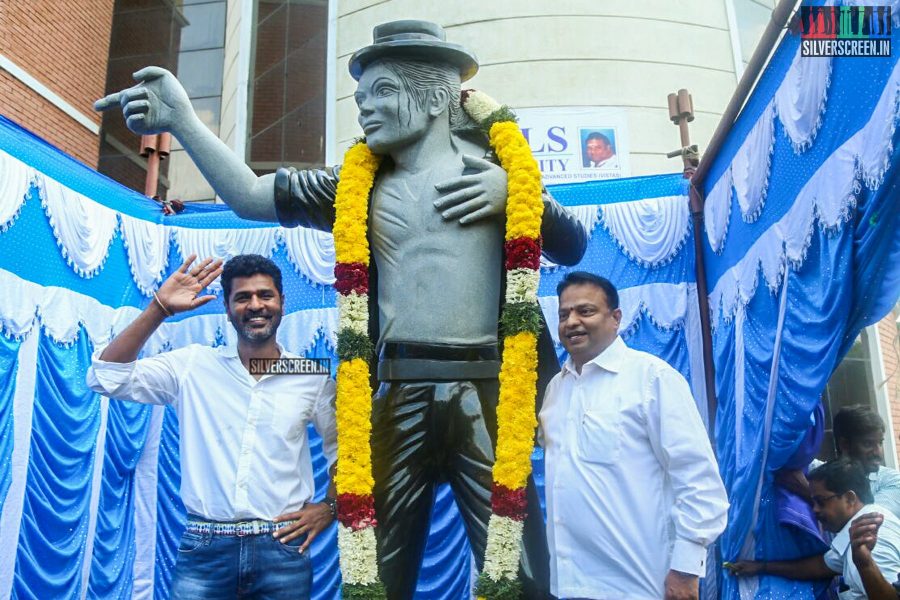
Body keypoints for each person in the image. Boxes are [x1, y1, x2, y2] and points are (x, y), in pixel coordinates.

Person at [95, 19, 587, 598]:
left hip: (486, 390)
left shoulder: (501, 170)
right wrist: (182, 120)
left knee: (523, 577)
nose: (365, 111)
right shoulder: (353, 185)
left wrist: (513, 196)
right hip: (395, 391)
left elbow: (570, 244)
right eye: (360, 99)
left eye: (382, 93)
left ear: (432, 99)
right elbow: (252, 197)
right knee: (374, 575)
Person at [86, 254, 338, 599]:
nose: (255, 305)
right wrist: (159, 308)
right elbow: (104, 378)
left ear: (281, 302)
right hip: (205, 549)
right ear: (227, 306)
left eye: (265, 295)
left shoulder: (311, 374)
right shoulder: (193, 365)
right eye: (242, 297)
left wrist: (330, 507)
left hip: (283, 547)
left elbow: (348, 450)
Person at [539, 271, 728, 600]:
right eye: (563, 314)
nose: (571, 322)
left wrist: (685, 571)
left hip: (639, 585)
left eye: (585, 311)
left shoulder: (651, 379)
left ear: (616, 318)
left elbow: (699, 481)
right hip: (568, 585)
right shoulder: (556, 389)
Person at [727, 458, 900, 600]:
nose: (815, 509)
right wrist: (761, 567)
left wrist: (865, 563)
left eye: (821, 501)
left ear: (849, 499)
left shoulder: (873, 542)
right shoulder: (856, 531)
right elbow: (820, 566)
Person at [833, 406, 900, 518]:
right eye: (868, 444)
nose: (878, 452)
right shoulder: (822, 477)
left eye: (880, 443)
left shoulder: (893, 481)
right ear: (845, 445)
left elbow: (866, 519)